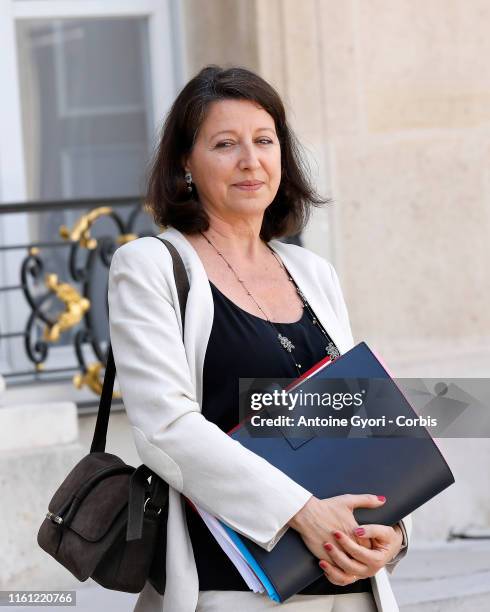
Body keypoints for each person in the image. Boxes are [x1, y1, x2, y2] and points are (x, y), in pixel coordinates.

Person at [108, 65, 411, 612]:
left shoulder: (312, 271)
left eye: (264, 140)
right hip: (232, 583)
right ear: (185, 164)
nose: (251, 160)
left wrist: (390, 530)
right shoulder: (150, 266)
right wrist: (303, 512)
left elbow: (357, 420)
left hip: (349, 580)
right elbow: (164, 428)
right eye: (226, 144)